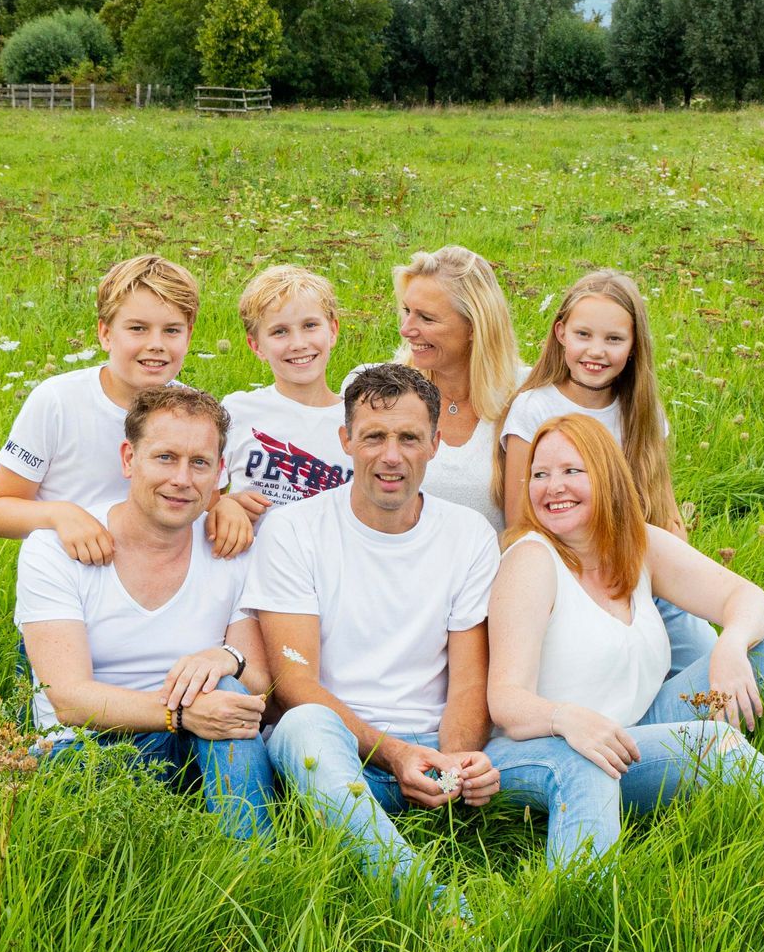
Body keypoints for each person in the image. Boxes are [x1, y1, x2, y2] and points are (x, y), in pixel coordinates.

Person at [244, 364, 611, 898]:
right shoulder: (294, 530)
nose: (391, 456)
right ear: (346, 440)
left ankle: (576, 913)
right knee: (302, 727)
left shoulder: (467, 535)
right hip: (347, 756)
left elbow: (468, 681)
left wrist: (456, 761)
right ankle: (434, 904)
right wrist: (396, 756)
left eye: (410, 438)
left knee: (583, 757)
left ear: (435, 444)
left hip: (439, 751)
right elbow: (297, 684)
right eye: (374, 437)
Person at [486, 416, 764, 856]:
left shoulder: (636, 544)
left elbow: (746, 597)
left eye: (572, 471)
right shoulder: (532, 561)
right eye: (540, 474)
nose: (553, 486)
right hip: (549, 747)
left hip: (638, 723)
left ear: (607, 475)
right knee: (715, 745)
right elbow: (506, 701)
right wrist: (566, 717)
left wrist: (730, 643)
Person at [16, 386, 275, 840]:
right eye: (165, 458)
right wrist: (181, 713)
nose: (182, 479)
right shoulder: (55, 548)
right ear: (128, 459)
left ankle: (254, 861)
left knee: (230, 692)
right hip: (87, 749)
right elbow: (70, 698)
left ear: (219, 474)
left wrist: (225, 659)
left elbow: (257, 681)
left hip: (198, 745)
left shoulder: (231, 550)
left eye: (200, 463)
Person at [495, 269, 708, 674]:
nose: (596, 351)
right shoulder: (535, 408)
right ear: (561, 333)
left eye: (613, 339)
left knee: (707, 657)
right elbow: (519, 521)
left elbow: (664, 511)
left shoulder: (641, 413)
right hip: (569, 576)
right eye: (583, 335)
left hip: (639, 566)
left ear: (633, 348)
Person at [0, 254, 258, 563]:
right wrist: (61, 515)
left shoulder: (196, 411)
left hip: (161, 572)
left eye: (172, 330)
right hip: (76, 572)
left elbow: (207, 502)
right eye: (138, 328)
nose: (156, 344)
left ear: (189, 336)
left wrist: (226, 508)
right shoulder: (57, 401)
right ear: (105, 334)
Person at [346, 246, 524, 530]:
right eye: (406, 311)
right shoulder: (373, 390)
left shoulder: (525, 396)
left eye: (426, 318)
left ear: (474, 326)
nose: (406, 329)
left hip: (492, 571)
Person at [220, 264, 353, 510]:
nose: (299, 343)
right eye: (280, 332)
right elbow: (204, 500)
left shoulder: (359, 420)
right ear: (256, 345)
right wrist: (225, 505)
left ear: (333, 330)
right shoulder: (236, 411)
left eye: (310, 326)